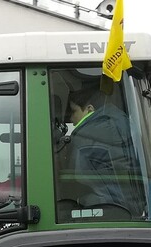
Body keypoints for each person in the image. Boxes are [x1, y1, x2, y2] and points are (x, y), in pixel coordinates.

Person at [58, 86, 142, 216]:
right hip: (130, 208)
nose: (71, 119)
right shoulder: (126, 126)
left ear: (89, 109)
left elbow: (74, 180)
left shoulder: (84, 136)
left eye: (74, 112)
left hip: (104, 208)